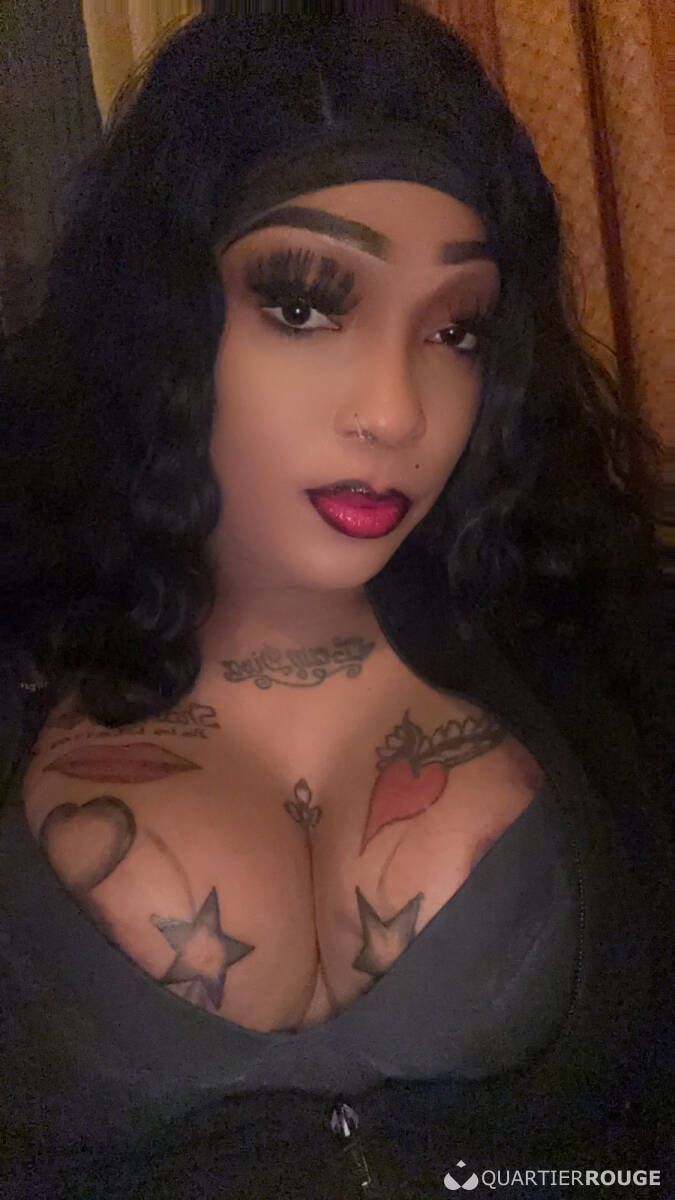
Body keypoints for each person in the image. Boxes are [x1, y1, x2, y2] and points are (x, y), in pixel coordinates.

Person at [0, 5, 668, 1196]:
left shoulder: (605, 646)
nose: (396, 411)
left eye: (456, 329)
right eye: (304, 303)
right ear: (159, 318)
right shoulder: (25, 653)